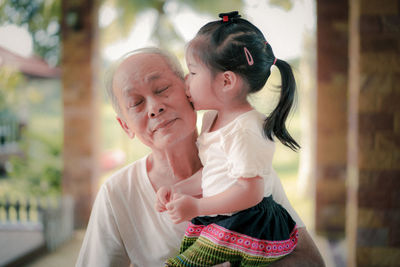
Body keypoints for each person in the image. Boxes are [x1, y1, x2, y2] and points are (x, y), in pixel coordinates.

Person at [76, 47, 325, 267]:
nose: (154, 108)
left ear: (189, 90)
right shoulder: (116, 193)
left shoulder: (243, 165)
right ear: (126, 126)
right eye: (136, 103)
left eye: (162, 89)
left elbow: (311, 261)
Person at [156, 11, 305, 266]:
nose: (185, 80)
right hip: (225, 218)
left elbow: (250, 192)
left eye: (192, 72)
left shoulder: (245, 129)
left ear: (226, 81)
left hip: (246, 224)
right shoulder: (213, 118)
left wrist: (197, 208)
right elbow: (215, 172)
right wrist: (179, 189)